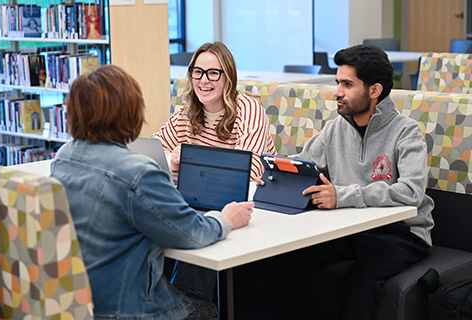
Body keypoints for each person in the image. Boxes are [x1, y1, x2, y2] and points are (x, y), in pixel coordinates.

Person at [49, 64, 254, 320]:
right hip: (128, 308)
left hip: (80, 301)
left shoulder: (64, 156)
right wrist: (226, 219)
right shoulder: (137, 172)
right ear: (131, 111)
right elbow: (192, 233)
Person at [253, 44, 435, 320]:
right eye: (338, 82)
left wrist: (343, 196)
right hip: (349, 229)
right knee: (285, 260)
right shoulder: (336, 127)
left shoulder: (405, 131)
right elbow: (305, 163)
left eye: (347, 84)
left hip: (401, 233)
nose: (337, 92)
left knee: (362, 280)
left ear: (374, 90)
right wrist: (274, 173)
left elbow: (410, 192)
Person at [155, 41, 277, 181]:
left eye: (213, 73)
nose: (204, 80)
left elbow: (252, 169)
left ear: (228, 77)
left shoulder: (249, 109)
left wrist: (193, 163)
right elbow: (153, 152)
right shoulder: (186, 111)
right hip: (200, 192)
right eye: (198, 72)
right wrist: (172, 161)